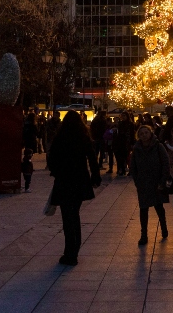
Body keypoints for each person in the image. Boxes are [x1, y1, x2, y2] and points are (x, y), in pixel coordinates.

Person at [47, 110, 101, 266]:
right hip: (79, 180)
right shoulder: (83, 137)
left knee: (67, 217)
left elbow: (52, 159)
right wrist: (95, 177)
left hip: (64, 181)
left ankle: (69, 251)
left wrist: (56, 172)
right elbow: (92, 158)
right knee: (75, 214)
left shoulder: (60, 138)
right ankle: (74, 250)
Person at [130, 124, 169, 246]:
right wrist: (137, 181)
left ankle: (163, 227)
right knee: (143, 209)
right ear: (138, 136)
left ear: (150, 133)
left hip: (157, 182)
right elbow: (133, 167)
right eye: (141, 134)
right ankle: (144, 234)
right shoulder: (136, 149)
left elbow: (165, 163)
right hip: (143, 183)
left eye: (146, 132)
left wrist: (163, 181)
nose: (144, 135)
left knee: (159, 207)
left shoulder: (158, 146)